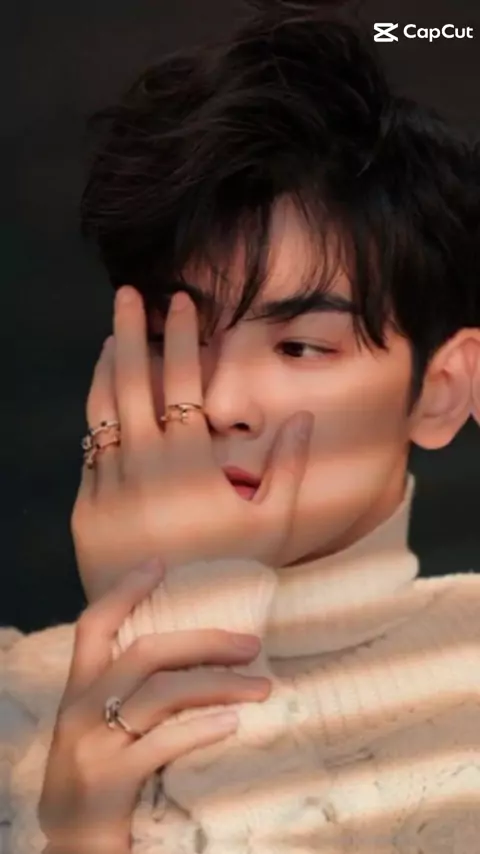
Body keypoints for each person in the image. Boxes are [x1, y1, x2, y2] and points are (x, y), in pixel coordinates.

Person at [3, 1, 480, 852]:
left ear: (442, 392)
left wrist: (192, 623)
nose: (219, 403)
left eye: (299, 346)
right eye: (169, 337)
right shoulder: (18, 698)